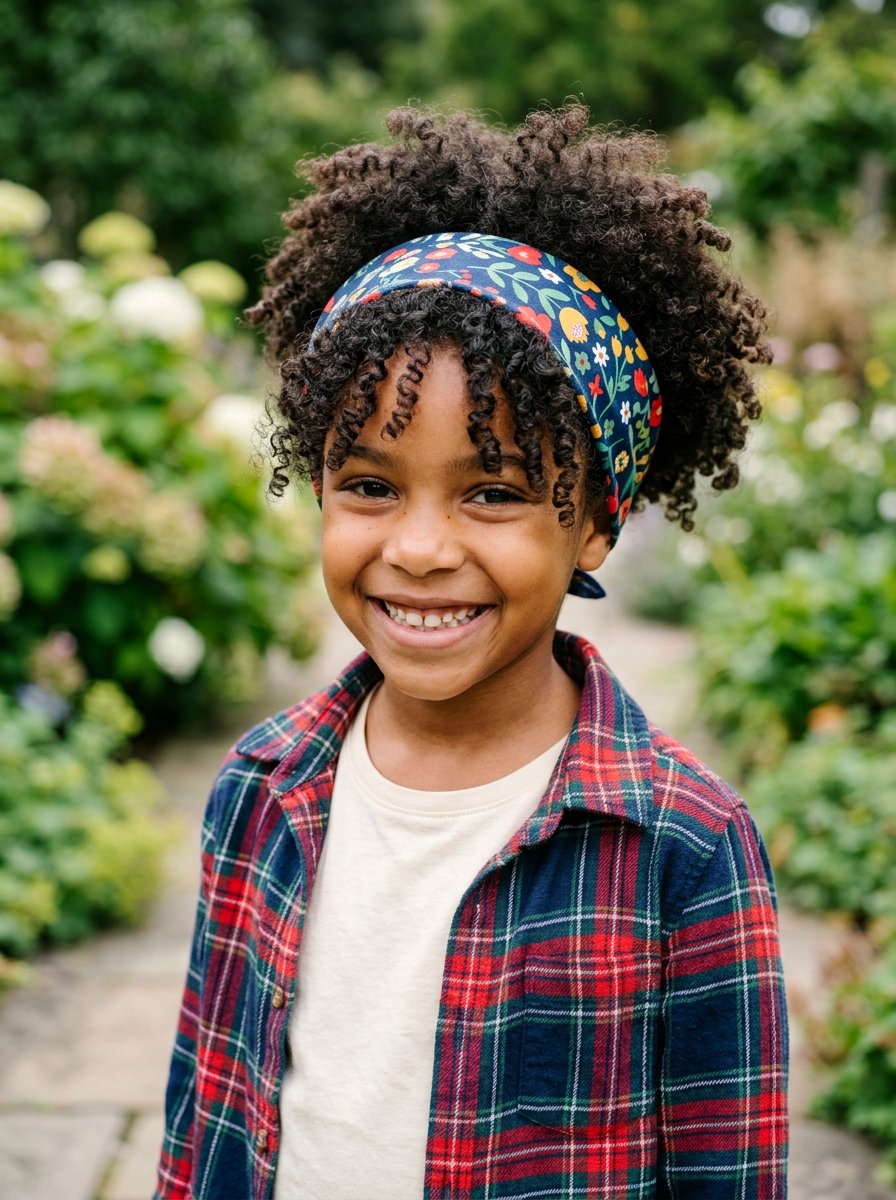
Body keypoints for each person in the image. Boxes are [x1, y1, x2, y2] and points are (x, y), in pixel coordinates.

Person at [156, 104, 788, 1200]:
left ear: (595, 521)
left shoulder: (683, 850)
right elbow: (204, 1114)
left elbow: (726, 1170)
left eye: (491, 491)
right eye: (368, 485)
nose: (417, 547)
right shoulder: (258, 789)